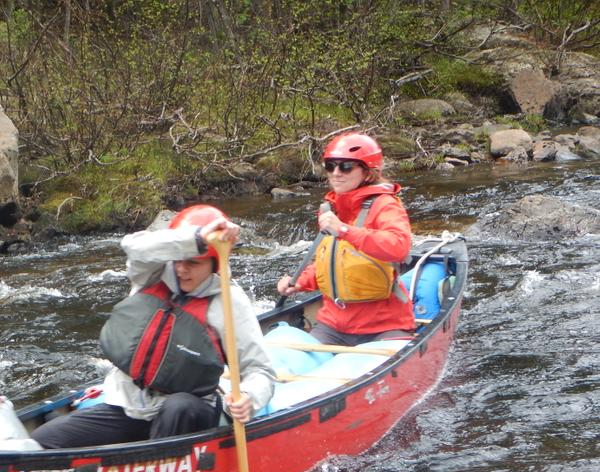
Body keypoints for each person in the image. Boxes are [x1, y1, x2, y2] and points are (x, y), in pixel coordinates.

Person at [31, 205, 274, 449]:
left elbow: (260, 371)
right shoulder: (151, 274)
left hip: (190, 413)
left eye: (193, 263)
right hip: (130, 406)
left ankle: (159, 461)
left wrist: (249, 397)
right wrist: (196, 239)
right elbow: (133, 246)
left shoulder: (230, 302)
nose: (181, 269)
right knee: (44, 440)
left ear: (215, 264)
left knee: (177, 407)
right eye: (178, 259)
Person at [277, 132, 415, 346]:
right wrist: (300, 282)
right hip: (333, 326)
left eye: (346, 167)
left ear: (368, 173)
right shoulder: (329, 209)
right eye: (330, 166)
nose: (336, 173)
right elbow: (332, 261)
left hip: (383, 326)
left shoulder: (385, 205)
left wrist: (343, 229)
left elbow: (399, 247)